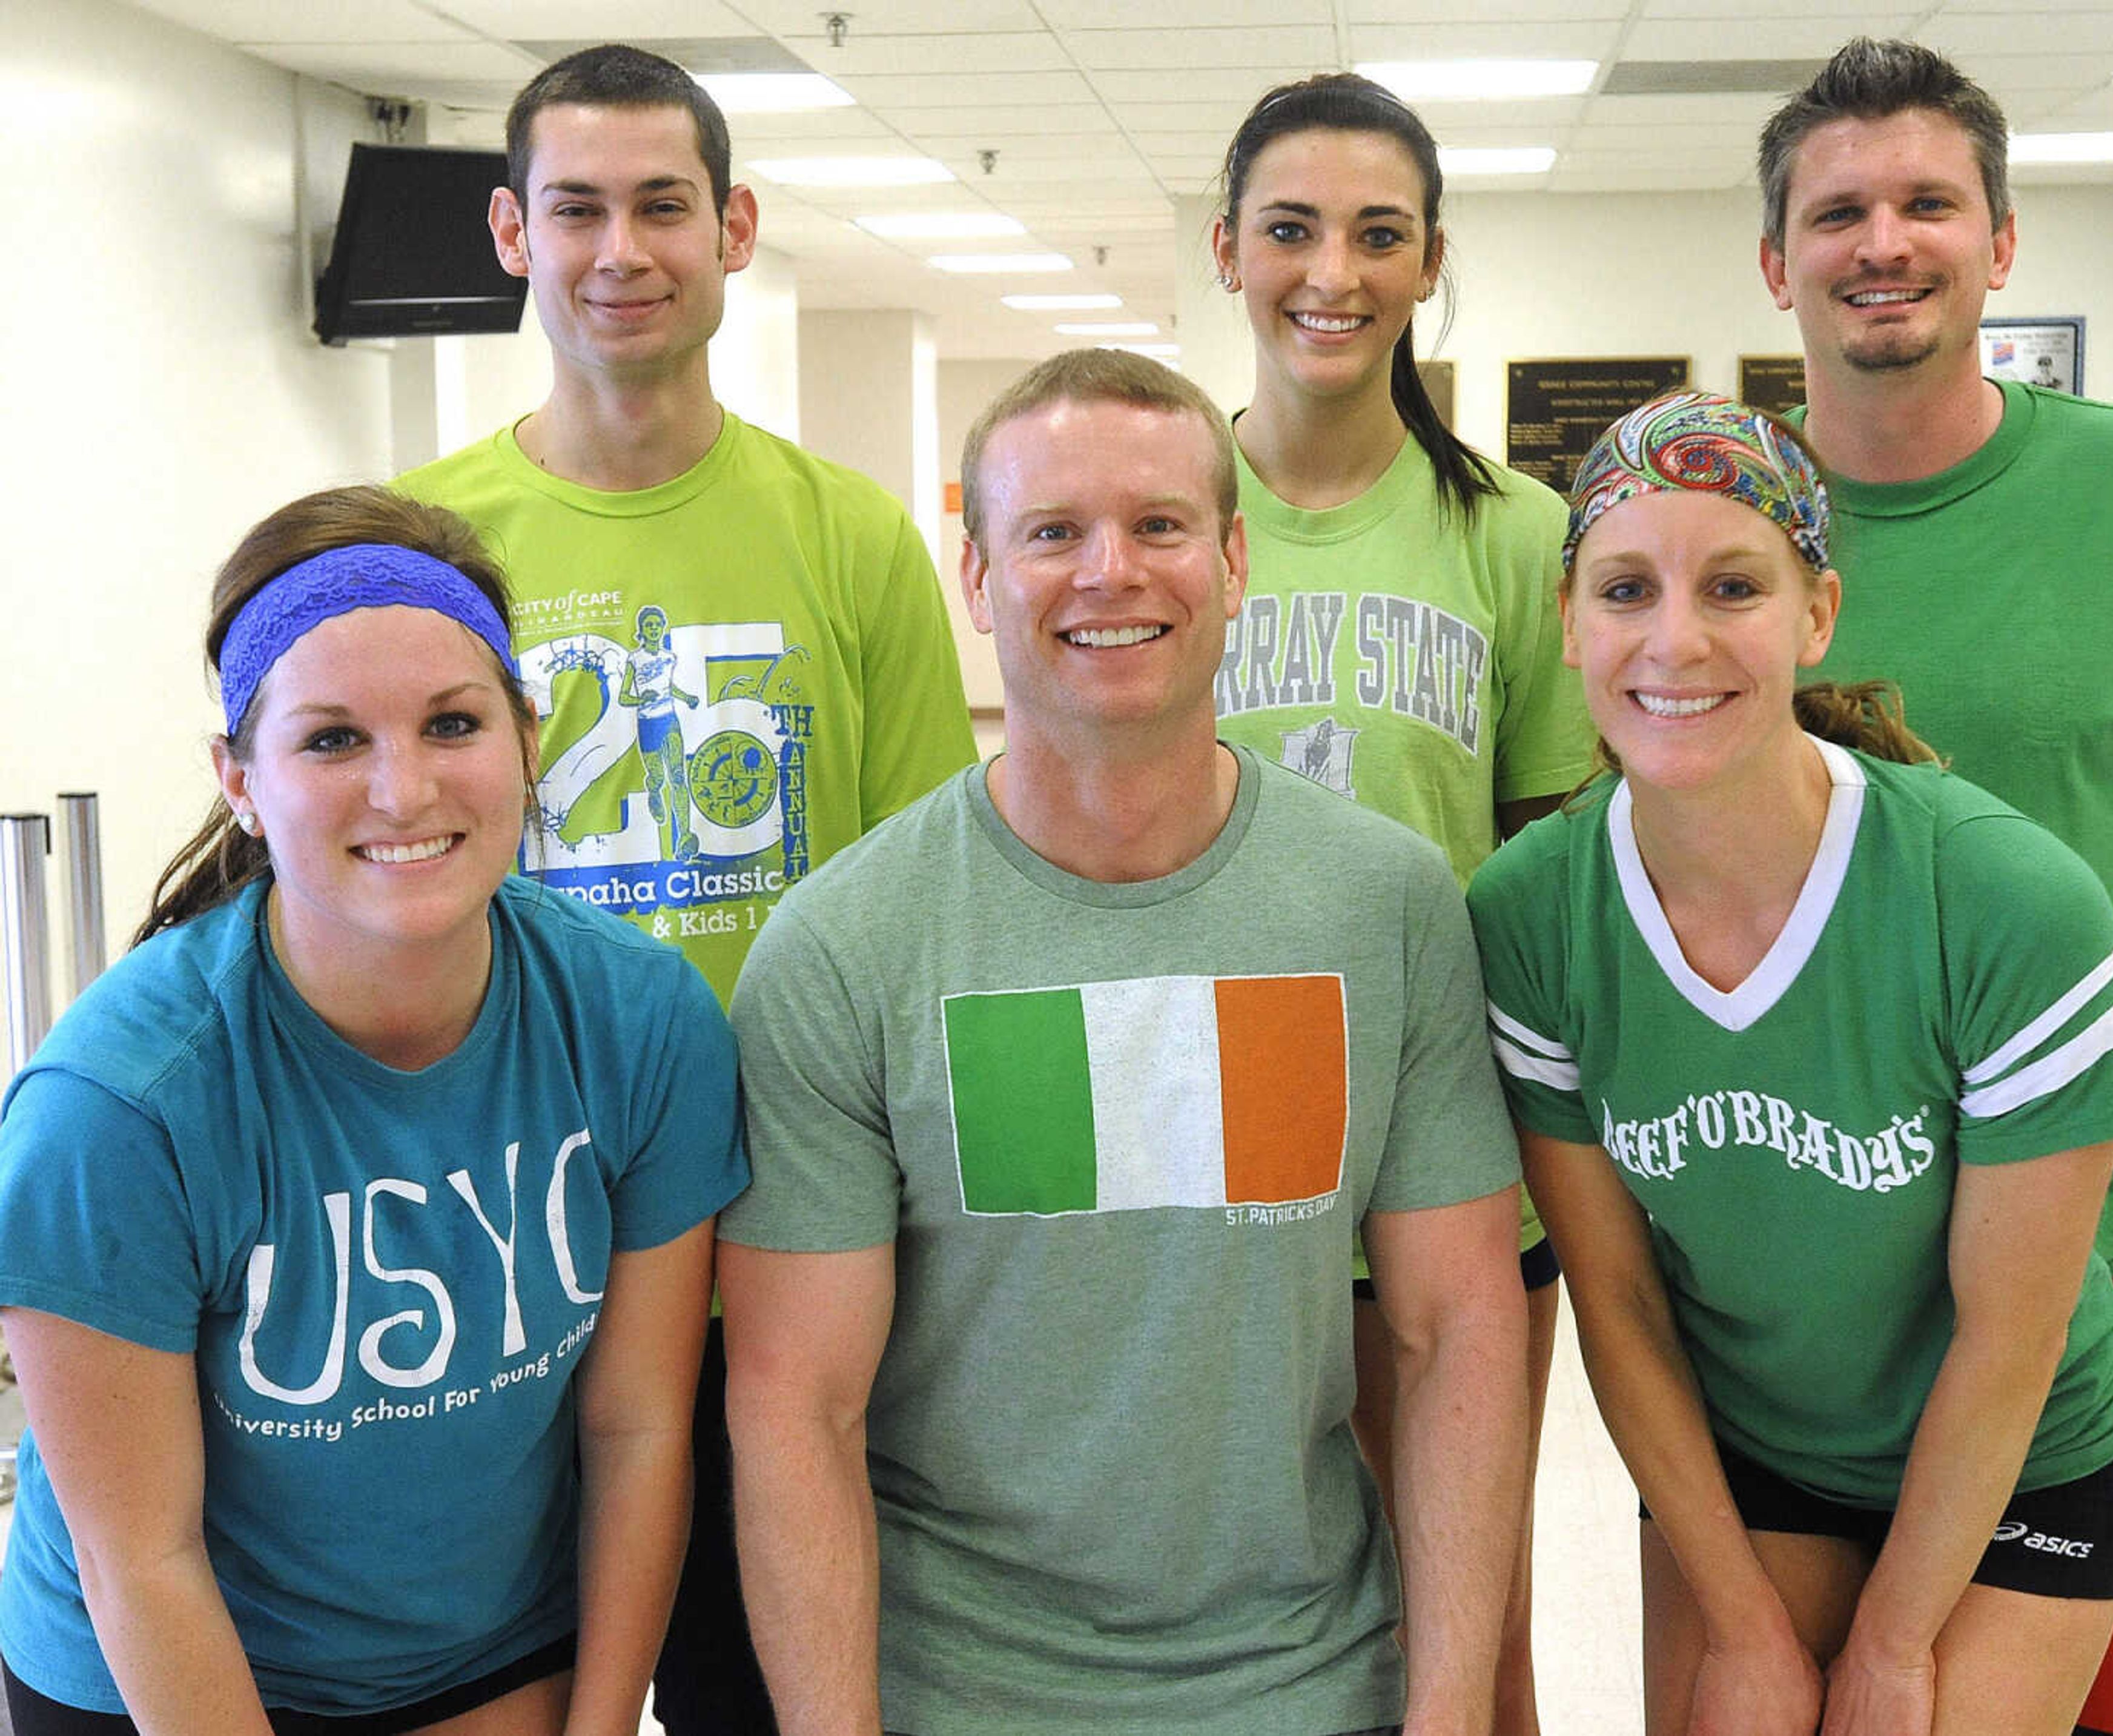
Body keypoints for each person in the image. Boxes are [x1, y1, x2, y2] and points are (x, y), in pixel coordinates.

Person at [718, 350, 1530, 1736]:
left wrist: (1450, 1711)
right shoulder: (843, 945)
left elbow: (1456, 1331)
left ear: (1232, 559)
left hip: (1310, 1678)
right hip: (953, 1692)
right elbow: (798, 1402)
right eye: (1052, 532)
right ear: (975, 579)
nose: (1112, 572)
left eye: (1158, 525)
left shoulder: (1386, 904)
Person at [399, 44, 977, 1734]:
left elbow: (916, 913)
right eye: (575, 207)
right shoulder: (424, 542)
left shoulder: (850, 534)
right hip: (500, 1245)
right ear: (512, 229)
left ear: (734, 228)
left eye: (664, 205)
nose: (620, 250)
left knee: (762, 1693)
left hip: (779, 1252)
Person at [1753, 39, 2113, 1736]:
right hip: (1807, 1263)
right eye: (1838, 209)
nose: (1884, 241)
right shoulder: (1726, 522)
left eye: (1929, 201)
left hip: (2109, 1234)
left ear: (2001, 243)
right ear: (1776, 261)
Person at [0, 487, 747, 1736]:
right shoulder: (115, 1111)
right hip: (167, 1670)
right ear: (240, 778)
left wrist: (604, 1724)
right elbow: (146, 1558)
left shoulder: (641, 1020)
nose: (403, 789)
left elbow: (635, 1428)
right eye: (333, 739)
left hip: (493, 1637)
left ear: (526, 735)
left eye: (453, 723)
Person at [1469, 391, 2113, 1736]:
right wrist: (1742, 1626)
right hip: (1755, 1451)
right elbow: (1613, 1298)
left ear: (1818, 613)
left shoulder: (2005, 896)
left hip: (2019, 1456)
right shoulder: (1531, 914)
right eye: (1626, 588)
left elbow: (2010, 1340)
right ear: (1570, 623)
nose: (1675, 639)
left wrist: (1895, 1648)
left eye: (1735, 584)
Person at [1209, 75, 1595, 1728]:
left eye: (1380, 235)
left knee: (1466, 1632)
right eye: (1291, 230)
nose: (1333, 272)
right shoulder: (1169, 520)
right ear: (1228, 250)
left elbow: (1553, 868)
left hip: (1448, 1159)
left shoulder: (1518, 535)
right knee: (1243, 1616)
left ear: (1433, 259)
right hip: (1211, 1155)